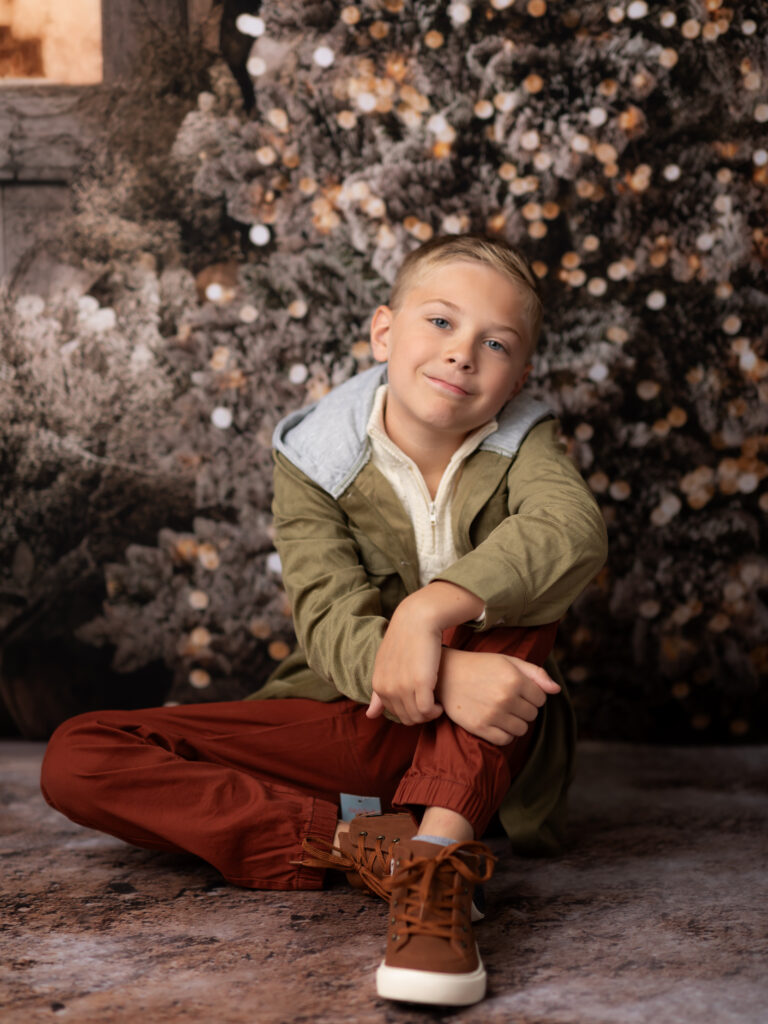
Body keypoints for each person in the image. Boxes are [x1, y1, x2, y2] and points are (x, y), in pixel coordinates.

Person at [41, 234, 607, 1007]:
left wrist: (428, 611)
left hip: (488, 739)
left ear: (519, 376)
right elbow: (329, 622)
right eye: (440, 322)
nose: (462, 354)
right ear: (384, 332)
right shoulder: (315, 458)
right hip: (358, 717)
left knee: (527, 586)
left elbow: (572, 531)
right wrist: (439, 668)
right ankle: (357, 847)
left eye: (495, 342)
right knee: (79, 755)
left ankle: (438, 864)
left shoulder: (524, 446)